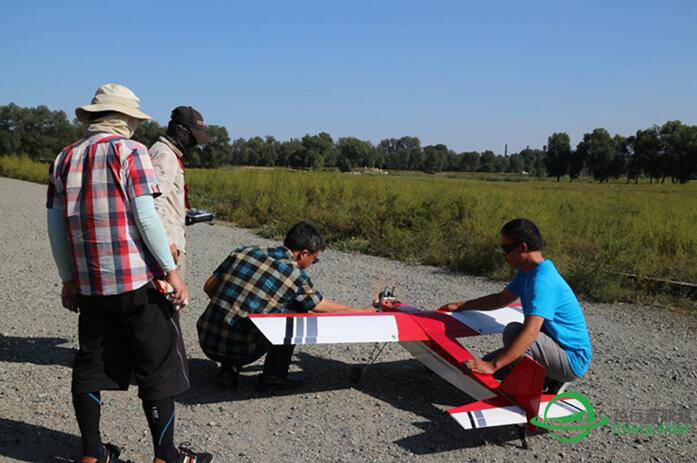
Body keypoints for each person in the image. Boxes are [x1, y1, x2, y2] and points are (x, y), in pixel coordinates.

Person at [46, 83, 211, 463]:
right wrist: (172, 273)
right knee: (158, 364)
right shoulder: (131, 152)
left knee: (89, 364)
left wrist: (68, 278)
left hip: (89, 284)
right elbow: (148, 218)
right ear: (124, 121)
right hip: (136, 282)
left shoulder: (64, 157)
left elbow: (55, 227)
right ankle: (165, 455)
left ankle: (91, 453)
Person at [197, 220, 376, 391]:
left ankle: (229, 370)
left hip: (207, 340)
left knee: (245, 312)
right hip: (242, 350)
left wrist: (231, 305)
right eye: (315, 259)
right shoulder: (296, 276)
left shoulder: (243, 251)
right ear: (303, 254)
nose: (313, 264)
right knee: (297, 311)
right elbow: (320, 305)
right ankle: (273, 378)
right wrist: (364, 312)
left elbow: (208, 287)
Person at [439, 218, 592, 392]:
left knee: (514, 333)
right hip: (554, 346)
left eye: (506, 249)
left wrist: (493, 365)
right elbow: (500, 299)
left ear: (523, 247)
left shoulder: (542, 281)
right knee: (481, 369)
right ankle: (547, 376)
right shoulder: (528, 272)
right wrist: (461, 305)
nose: (503, 255)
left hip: (571, 359)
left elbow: (531, 333)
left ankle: (535, 388)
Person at [150, 106, 210, 276]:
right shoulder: (164, 156)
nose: (195, 143)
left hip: (169, 241)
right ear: (180, 130)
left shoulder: (167, 153)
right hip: (168, 245)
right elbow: (154, 203)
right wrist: (168, 241)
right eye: (193, 137)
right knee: (173, 297)